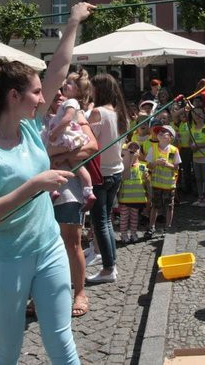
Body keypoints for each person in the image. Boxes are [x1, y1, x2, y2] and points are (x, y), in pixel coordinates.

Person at [0, 1, 92, 365]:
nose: (45, 98)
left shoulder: (31, 128)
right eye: (36, 93)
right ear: (14, 97)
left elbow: (58, 70)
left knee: (61, 339)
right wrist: (35, 184)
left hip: (49, 248)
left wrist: (72, 23)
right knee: (7, 350)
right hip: (6, 260)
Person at [45, 86, 98, 319]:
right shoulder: (34, 119)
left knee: (72, 242)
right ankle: (45, 294)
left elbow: (90, 147)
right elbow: (38, 151)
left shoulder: (75, 115)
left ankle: (80, 292)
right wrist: (61, 152)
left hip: (69, 190)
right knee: (43, 246)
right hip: (42, 190)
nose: (57, 95)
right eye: (52, 91)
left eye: (61, 91)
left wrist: (61, 155)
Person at [86, 73, 129, 284]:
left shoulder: (97, 113)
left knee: (100, 221)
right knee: (107, 221)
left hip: (100, 173)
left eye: (92, 88)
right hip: (116, 171)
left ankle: (108, 268)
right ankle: (111, 262)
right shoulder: (120, 113)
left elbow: (86, 140)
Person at [44, 70, 95, 207]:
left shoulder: (71, 102)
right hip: (71, 140)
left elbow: (67, 119)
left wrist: (54, 131)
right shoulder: (72, 102)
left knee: (48, 161)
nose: (65, 85)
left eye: (69, 83)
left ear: (78, 89)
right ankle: (88, 191)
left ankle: (52, 190)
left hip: (66, 138)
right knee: (78, 167)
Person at [145, 124, 181, 238]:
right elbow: (149, 165)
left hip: (169, 184)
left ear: (170, 137)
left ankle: (167, 227)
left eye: (164, 131)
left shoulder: (174, 150)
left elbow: (177, 167)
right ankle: (151, 227)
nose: (160, 132)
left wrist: (166, 164)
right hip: (156, 183)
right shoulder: (153, 148)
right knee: (155, 206)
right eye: (159, 131)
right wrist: (156, 163)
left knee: (169, 206)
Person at [119, 141, 148, 244]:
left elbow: (146, 182)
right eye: (130, 148)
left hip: (137, 198)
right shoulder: (122, 166)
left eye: (136, 148)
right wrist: (130, 160)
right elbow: (123, 175)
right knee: (124, 218)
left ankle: (133, 233)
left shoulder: (143, 166)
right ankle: (123, 234)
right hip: (124, 198)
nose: (134, 150)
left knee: (134, 217)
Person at [187, 93, 205, 207]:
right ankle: (200, 197)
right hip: (196, 157)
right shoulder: (191, 128)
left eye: (199, 114)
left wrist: (199, 146)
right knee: (198, 178)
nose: (197, 116)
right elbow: (189, 142)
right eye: (195, 114)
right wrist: (192, 146)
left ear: (203, 114)